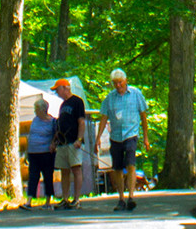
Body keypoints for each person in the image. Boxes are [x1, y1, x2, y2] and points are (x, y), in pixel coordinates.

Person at [95, 68, 149, 211]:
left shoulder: (136, 94)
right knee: (117, 168)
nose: (118, 85)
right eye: (115, 83)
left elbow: (143, 116)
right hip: (116, 136)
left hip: (131, 135)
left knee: (130, 164)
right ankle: (121, 199)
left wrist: (146, 137)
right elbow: (104, 118)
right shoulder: (110, 98)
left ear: (125, 81)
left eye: (120, 82)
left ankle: (131, 196)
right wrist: (98, 137)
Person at [52, 79, 87, 210]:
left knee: (76, 169)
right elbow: (60, 125)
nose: (57, 93)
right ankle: (65, 199)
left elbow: (81, 121)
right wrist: (54, 142)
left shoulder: (77, 101)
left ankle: (76, 199)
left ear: (65, 88)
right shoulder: (62, 105)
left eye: (57, 90)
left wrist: (79, 139)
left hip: (74, 142)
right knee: (64, 170)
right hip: (62, 143)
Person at [25, 98, 56, 209]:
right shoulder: (35, 120)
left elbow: (56, 135)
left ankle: (48, 201)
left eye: (36, 109)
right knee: (33, 176)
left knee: (47, 176)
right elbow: (30, 135)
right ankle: (29, 201)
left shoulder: (52, 122)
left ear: (43, 110)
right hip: (33, 152)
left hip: (46, 153)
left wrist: (53, 144)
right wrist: (26, 152)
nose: (35, 111)